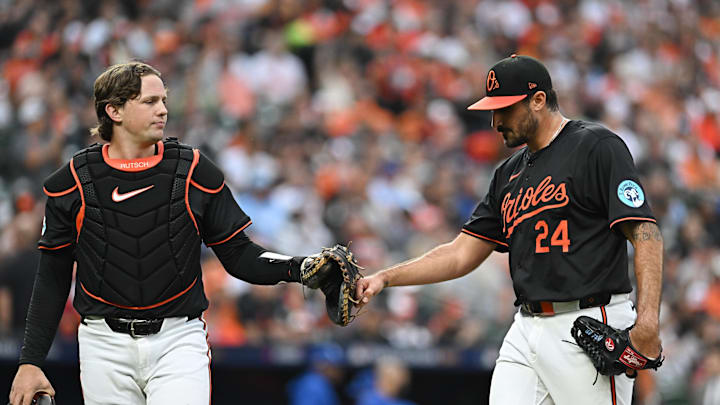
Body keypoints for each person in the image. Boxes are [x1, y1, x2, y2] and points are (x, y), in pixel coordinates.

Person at [357, 54, 664, 405]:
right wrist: (386, 277)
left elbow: (645, 232)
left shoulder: (596, 146)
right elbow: (460, 253)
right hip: (527, 325)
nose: (495, 120)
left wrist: (648, 321)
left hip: (589, 322)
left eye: (505, 108)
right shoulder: (508, 174)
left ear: (538, 100)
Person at [8, 61, 320, 405]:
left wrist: (302, 267)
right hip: (103, 345)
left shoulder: (194, 170)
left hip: (178, 339)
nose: (163, 110)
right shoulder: (71, 182)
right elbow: (52, 277)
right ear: (114, 110)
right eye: (150, 101)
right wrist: (30, 362)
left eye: (164, 100)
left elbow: (239, 255)